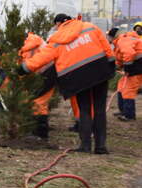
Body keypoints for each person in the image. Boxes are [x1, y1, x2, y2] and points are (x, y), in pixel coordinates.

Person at [21, 14, 115, 154]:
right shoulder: (91, 27)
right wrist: (111, 64)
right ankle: (101, 147)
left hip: (77, 77)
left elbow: (42, 58)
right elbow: (107, 48)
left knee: (85, 110)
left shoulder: (56, 39)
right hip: (99, 71)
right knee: (99, 110)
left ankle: (85, 146)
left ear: (59, 24)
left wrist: (24, 68)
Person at [19, 32, 56, 139]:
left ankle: (40, 134)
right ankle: (39, 132)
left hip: (45, 74)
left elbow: (25, 68)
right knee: (40, 103)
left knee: (38, 103)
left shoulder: (27, 48)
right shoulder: (35, 40)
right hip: (50, 72)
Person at [110, 28, 142, 121]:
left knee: (128, 90)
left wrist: (127, 68)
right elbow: (120, 57)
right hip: (135, 66)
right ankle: (123, 110)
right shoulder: (122, 41)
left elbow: (129, 53)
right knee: (121, 86)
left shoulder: (123, 39)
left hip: (137, 68)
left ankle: (129, 115)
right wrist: (117, 67)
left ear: (113, 36)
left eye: (109, 36)